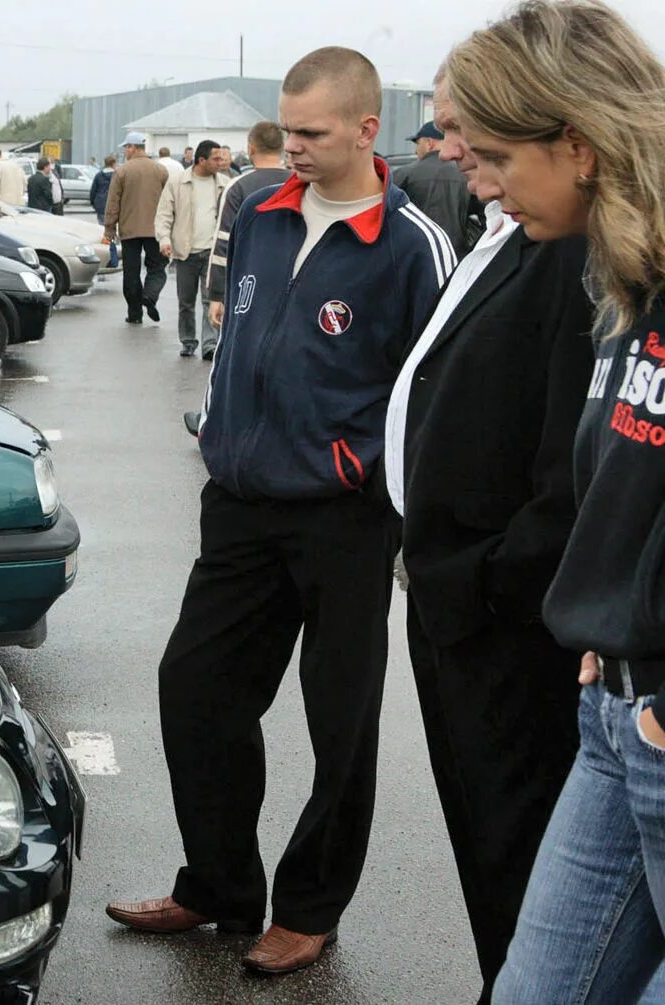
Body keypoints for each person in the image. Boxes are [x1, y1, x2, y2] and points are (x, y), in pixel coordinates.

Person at [106, 46, 452, 976]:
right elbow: (235, 337)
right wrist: (221, 431)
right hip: (242, 506)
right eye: (286, 130)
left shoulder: (413, 244)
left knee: (341, 724)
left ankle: (308, 907)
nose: (290, 148)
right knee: (196, 690)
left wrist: (360, 466)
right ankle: (218, 885)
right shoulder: (256, 210)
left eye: (311, 133)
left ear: (366, 130)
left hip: (344, 518)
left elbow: (436, 393)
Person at [441, 3, 665, 1001]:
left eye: (491, 153)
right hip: (610, 711)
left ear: (574, 142)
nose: (475, 178)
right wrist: (607, 609)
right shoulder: (626, 282)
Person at [387, 68, 592, 1005]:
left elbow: (572, 472)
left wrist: (483, 585)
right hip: (458, 597)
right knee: (487, 842)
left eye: (473, 129)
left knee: (524, 857)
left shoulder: (569, 250)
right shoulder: (512, 230)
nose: (454, 145)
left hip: (503, 618)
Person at [182, 120, 294, 436]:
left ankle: (211, 420)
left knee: (230, 356)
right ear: (283, 147)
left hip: (247, 286)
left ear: (251, 148)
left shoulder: (239, 187)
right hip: (291, 282)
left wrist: (216, 295)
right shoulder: (300, 181)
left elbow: (223, 245)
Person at [155, 139, 233, 358]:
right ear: (202, 160)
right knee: (186, 301)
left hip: (213, 252)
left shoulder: (225, 184)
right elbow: (163, 214)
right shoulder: (178, 182)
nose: (221, 162)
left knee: (212, 299)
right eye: (216, 159)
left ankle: (210, 344)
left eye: (222, 158)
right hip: (186, 251)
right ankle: (188, 341)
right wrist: (164, 239)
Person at [102, 130, 169, 325]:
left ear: (132, 147)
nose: (125, 151)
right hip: (155, 229)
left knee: (131, 271)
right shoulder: (160, 170)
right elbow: (168, 201)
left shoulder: (122, 171)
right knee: (157, 267)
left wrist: (109, 228)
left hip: (129, 230)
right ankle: (150, 295)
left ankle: (134, 313)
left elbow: (113, 202)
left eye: (126, 147)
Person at [394, 120, 484, 258]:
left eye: (418, 144)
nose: (415, 150)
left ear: (430, 143)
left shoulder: (403, 174)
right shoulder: (467, 175)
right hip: (458, 255)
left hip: (412, 255)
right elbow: (488, 215)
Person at [90, 154, 120, 268]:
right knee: (115, 230)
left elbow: (93, 190)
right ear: (113, 164)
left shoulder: (99, 175)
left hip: (101, 205)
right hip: (115, 205)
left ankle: (107, 253)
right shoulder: (118, 175)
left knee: (103, 229)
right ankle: (115, 253)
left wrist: (94, 203)